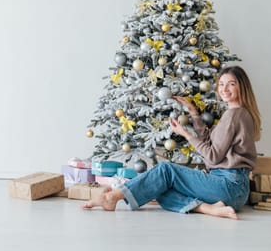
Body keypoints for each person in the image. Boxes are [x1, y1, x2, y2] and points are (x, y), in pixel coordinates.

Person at [82, 65, 261, 219]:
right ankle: (210, 209)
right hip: (234, 190)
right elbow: (210, 141)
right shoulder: (239, 114)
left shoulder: (233, 115)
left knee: (165, 170)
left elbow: (213, 157)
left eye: (231, 84)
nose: (224, 89)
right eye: (221, 84)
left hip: (229, 184)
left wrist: (186, 134)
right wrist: (193, 113)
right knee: (158, 187)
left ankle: (111, 197)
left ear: (241, 87)